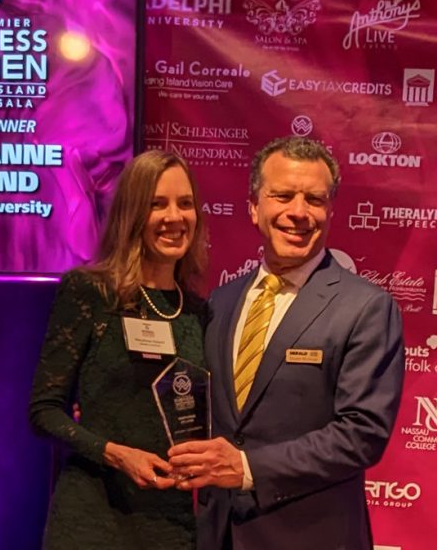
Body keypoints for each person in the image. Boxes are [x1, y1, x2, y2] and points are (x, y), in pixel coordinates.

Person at [168, 137, 404, 550]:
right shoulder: (222, 302)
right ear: (254, 207)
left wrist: (245, 467)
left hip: (312, 537)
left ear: (330, 210)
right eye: (282, 195)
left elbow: (362, 433)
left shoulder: (366, 307)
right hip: (217, 534)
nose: (298, 212)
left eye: (314, 199)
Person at [29, 150, 209, 549]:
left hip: (171, 522)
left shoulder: (199, 312)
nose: (174, 218)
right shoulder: (91, 291)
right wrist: (114, 453)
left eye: (185, 204)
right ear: (131, 214)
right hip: (93, 516)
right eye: (156, 204)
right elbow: (43, 411)